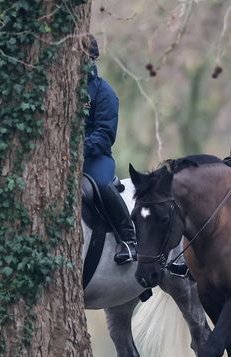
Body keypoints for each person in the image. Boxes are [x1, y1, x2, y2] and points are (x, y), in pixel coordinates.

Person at [83, 36, 136, 265]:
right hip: (63, 157)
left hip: (95, 156)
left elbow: (105, 135)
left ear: (92, 59)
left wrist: (78, 150)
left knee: (103, 186)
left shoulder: (104, 92)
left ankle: (129, 239)